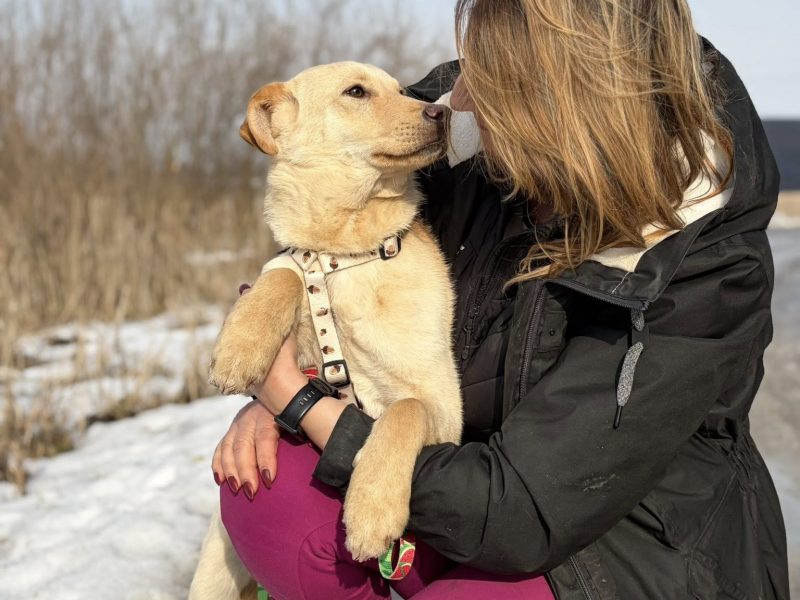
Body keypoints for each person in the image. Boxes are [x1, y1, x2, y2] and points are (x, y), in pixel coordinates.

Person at [212, 1, 790, 598]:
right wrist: (294, 360)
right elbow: (325, 201)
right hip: (453, 473)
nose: (456, 99)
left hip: (611, 546)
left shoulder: (704, 262)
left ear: (570, 90)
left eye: (492, 75)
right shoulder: (451, 134)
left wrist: (302, 403)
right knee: (267, 493)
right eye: (472, 63)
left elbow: (522, 510)